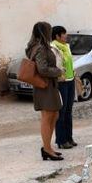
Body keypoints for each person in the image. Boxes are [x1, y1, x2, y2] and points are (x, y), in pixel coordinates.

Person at [25, 21, 63, 161]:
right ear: (44, 32)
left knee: (54, 115)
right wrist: (58, 71)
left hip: (49, 86)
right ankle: (46, 149)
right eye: (49, 30)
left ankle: (48, 146)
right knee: (47, 117)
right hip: (45, 86)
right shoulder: (40, 48)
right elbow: (43, 69)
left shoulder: (39, 46)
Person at [51, 25, 77, 150]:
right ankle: (61, 140)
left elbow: (70, 62)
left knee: (68, 111)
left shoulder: (66, 46)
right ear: (57, 36)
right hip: (61, 82)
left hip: (70, 80)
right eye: (63, 34)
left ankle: (69, 137)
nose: (66, 36)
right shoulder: (53, 48)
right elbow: (55, 66)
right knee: (61, 112)